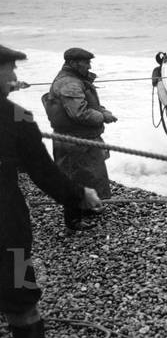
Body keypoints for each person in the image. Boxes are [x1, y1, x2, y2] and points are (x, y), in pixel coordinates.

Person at [1, 44, 101, 338]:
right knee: (24, 305)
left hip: (9, 234)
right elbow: (45, 175)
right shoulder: (18, 119)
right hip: (8, 237)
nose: (14, 76)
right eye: (8, 71)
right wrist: (80, 196)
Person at [42, 48, 116, 229]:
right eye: (86, 63)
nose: (89, 66)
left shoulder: (76, 80)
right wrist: (103, 117)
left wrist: (103, 110)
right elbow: (79, 113)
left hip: (83, 138)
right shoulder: (69, 84)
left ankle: (87, 207)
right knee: (74, 177)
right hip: (73, 140)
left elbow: (89, 104)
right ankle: (73, 220)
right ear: (74, 63)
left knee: (90, 174)